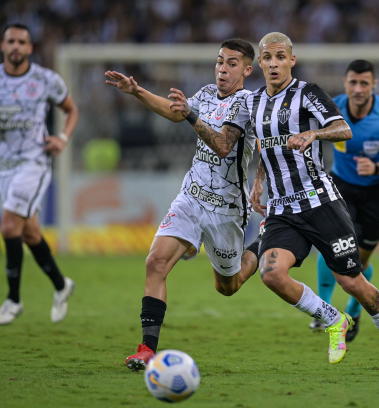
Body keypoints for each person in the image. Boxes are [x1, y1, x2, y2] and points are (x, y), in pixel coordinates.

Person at [170, 32, 379, 377]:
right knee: (271, 275)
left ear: (291, 61)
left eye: (280, 57)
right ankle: (334, 320)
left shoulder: (307, 93)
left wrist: (314, 134)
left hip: (320, 202)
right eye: (268, 57)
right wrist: (258, 181)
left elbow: (343, 129)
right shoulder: (251, 103)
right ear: (262, 64)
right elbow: (248, 146)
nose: (273, 63)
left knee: (351, 282)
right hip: (282, 208)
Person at [104, 38, 261, 371]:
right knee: (155, 262)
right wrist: (137, 92)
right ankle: (147, 349)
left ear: (247, 69)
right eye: (220, 61)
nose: (223, 68)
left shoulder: (247, 102)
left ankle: (261, 244)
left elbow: (222, 145)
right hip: (191, 196)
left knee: (228, 288)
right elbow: (175, 112)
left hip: (226, 208)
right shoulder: (205, 94)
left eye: (232, 63)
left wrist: (190, 116)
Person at [0, 23, 79, 325]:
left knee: (9, 226)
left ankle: (13, 300)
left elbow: (71, 110)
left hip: (34, 161)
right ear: (2, 46)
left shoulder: (44, 79)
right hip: (4, 167)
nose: (15, 46)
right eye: (10, 41)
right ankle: (61, 285)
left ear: (29, 48)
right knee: (29, 233)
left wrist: (62, 138)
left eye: (21, 42)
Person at [309, 59, 379, 342]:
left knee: (358, 260)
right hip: (341, 185)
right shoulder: (331, 108)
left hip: (377, 193)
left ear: (374, 85)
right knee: (333, 245)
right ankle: (322, 311)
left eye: (364, 83)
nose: (358, 89)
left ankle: (354, 311)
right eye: (353, 83)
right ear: (345, 83)